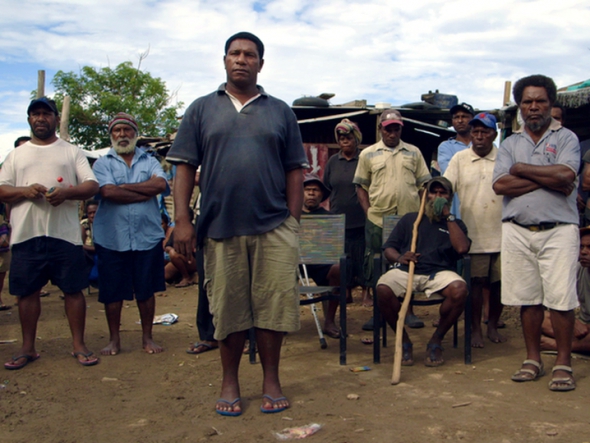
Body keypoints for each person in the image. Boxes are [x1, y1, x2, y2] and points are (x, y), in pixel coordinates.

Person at [167, 32, 308, 416]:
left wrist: (292, 221)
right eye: (235, 53)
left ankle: (271, 380)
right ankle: (230, 381)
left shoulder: (280, 111)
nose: (241, 59)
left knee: (273, 307)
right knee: (227, 310)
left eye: (250, 55)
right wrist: (182, 219)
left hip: (274, 226)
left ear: (261, 63)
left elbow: (296, 169)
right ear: (224, 60)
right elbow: (184, 167)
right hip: (219, 227)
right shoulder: (200, 110)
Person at [493, 74, 580, 392]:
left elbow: (566, 174)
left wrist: (520, 169)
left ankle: (563, 363)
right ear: (519, 106)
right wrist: (549, 178)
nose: (533, 107)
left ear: (551, 103)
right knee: (527, 300)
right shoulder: (511, 143)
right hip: (516, 230)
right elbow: (500, 185)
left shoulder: (567, 138)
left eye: (540, 100)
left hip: (559, 231)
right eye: (527, 101)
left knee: (560, 300)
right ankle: (532, 359)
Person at [0, 97, 100, 369]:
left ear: (56, 118)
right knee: (27, 293)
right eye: (35, 114)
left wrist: (67, 193)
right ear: (29, 120)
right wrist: (24, 191)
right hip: (26, 235)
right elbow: (2, 188)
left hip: (64, 235)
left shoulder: (71, 151)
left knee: (73, 291)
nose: (40, 118)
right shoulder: (17, 155)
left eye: (46, 113)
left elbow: (91, 185)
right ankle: (27, 348)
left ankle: (78, 345)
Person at [92, 112, 169, 356]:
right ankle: (114, 340)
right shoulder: (102, 163)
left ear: (135, 134)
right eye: (117, 131)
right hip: (111, 237)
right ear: (111, 135)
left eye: (127, 130)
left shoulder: (150, 161)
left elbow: (160, 186)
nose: (122, 135)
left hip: (146, 236)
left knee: (146, 290)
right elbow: (108, 194)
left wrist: (123, 187)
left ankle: (148, 338)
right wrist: (141, 191)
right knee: (113, 292)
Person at [375, 177, 470, 366]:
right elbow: (389, 248)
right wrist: (400, 258)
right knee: (383, 289)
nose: (437, 197)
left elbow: (462, 249)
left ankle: (436, 339)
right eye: (433, 192)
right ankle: (404, 340)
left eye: (442, 193)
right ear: (425, 196)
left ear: (450, 198)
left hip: (440, 273)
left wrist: (447, 216)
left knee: (460, 290)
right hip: (407, 270)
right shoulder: (410, 219)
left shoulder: (455, 224)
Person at [353, 108, 431, 330]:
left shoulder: (414, 153)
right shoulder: (367, 154)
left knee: (410, 262)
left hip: (408, 221)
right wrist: (369, 212)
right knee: (378, 265)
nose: (392, 133)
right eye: (388, 129)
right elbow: (361, 187)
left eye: (396, 128)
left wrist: (421, 213)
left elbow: (425, 184)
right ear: (381, 129)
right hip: (378, 219)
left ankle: (409, 312)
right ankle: (378, 313)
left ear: (400, 129)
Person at [444, 112, 505, 347]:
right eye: (475, 132)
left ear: (494, 134)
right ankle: (475, 328)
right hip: (473, 235)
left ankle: (492, 324)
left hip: (502, 233)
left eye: (485, 132)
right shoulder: (460, 159)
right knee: (476, 284)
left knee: (499, 284)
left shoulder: (504, 159)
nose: (479, 136)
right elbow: (446, 188)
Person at [323, 119, 370, 306]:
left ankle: (367, 292)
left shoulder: (364, 159)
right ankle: (347, 290)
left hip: (361, 217)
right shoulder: (333, 161)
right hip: (338, 218)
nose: (345, 140)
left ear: (356, 139)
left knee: (363, 256)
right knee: (343, 258)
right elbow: (326, 188)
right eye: (341, 137)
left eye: (349, 137)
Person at [301, 173, 341, 338]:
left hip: (322, 265)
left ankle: (329, 321)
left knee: (339, 268)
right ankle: (280, 322)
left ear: (321, 195)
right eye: (308, 190)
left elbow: (337, 249)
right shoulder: (291, 216)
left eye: (316, 190)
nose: (311, 193)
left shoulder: (330, 218)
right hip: (295, 265)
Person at [541, 226, 590, 354]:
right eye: (581, 247)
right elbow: (554, 296)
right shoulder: (578, 268)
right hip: (584, 327)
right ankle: (580, 344)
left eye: (589, 247)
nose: (584, 252)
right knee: (541, 317)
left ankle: (560, 345)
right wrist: (574, 322)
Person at [437, 102, 475, 219]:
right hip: (455, 210)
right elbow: (450, 174)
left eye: (464, 116)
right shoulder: (446, 146)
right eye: (456, 117)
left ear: (472, 119)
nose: (460, 120)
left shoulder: (483, 145)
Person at [80, 199, 99, 285]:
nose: (92, 215)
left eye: (95, 212)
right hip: (89, 255)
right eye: (90, 213)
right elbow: (81, 244)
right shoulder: (85, 224)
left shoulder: (108, 223)